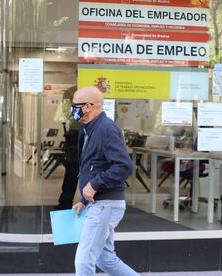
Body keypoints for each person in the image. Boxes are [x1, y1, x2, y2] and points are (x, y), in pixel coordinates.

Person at [71, 86, 138, 276]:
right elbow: (96, 165)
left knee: (84, 260)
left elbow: (123, 166)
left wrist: (94, 185)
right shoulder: (89, 129)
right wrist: (84, 200)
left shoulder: (106, 129)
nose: (72, 110)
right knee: (105, 259)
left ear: (88, 106)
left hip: (105, 205)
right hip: (99, 204)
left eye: (75, 105)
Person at [54, 86, 80, 210]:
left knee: (72, 170)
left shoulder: (71, 91)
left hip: (77, 133)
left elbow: (67, 114)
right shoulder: (71, 91)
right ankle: (65, 201)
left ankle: (65, 202)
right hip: (79, 134)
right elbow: (67, 113)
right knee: (73, 169)